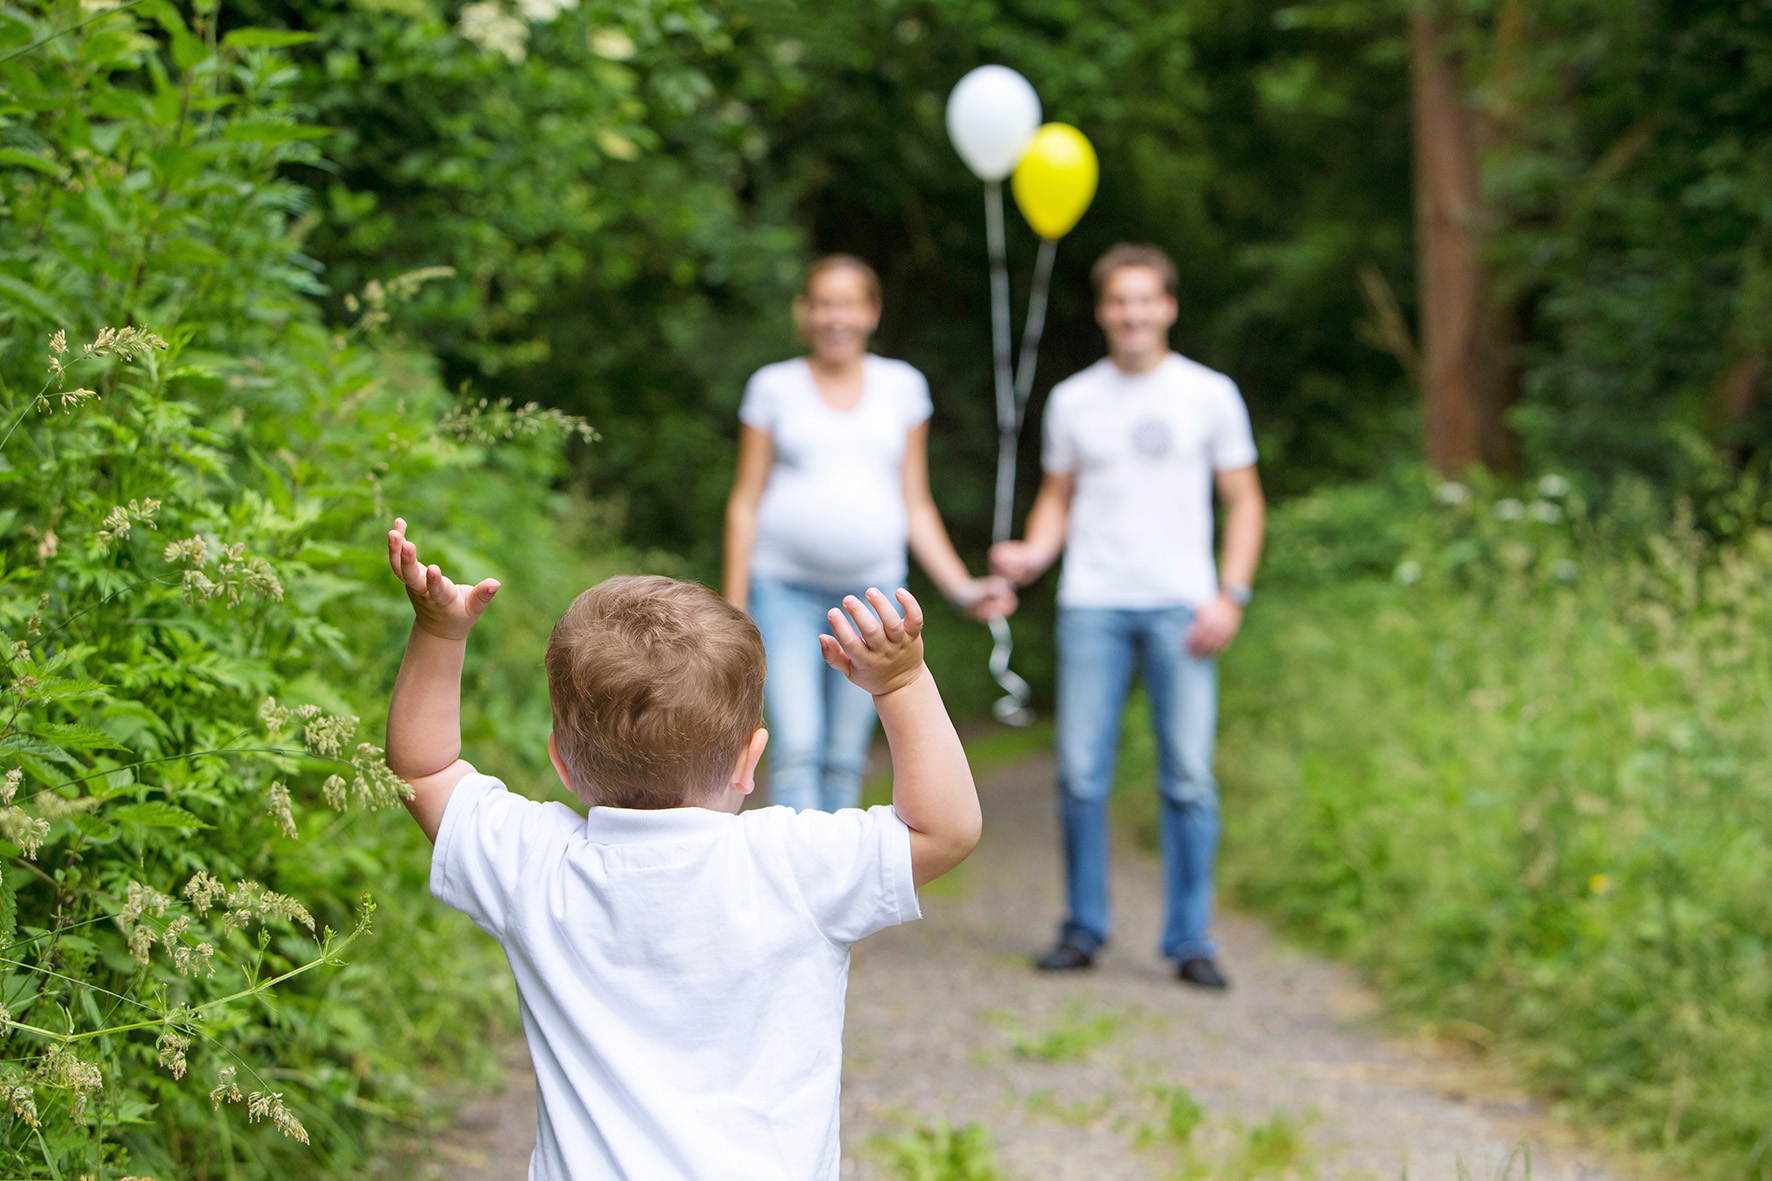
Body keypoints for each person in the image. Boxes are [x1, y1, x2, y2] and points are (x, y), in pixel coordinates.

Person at [382, 518, 981, 1179]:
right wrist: (901, 683)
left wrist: (439, 632)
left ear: (561, 761)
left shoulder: (538, 866)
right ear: (749, 760)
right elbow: (945, 828)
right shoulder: (792, 863)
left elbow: (424, 769)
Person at [990, 244, 1266, 991]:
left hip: (1184, 605)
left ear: (1169, 306)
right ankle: (1083, 927)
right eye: (1119, 301)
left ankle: (1190, 938)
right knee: (1080, 775)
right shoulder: (1075, 399)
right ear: (1103, 309)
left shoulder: (1209, 394)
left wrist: (1230, 594)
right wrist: (1032, 555)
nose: (1133, 313)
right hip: (1093, 602)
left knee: (1188, 778)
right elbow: (1057, 497)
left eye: (1146, 300)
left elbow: (1244, 500)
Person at [724, 255, 1013, 813]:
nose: (837, 317)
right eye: (825, 303)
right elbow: (745, 501)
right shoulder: (772, 387)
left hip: (873, 599)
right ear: (805, 314)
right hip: (783, 592)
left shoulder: (903, 387)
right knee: (799, 748)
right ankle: (796, 890)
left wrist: (962, 588)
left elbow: (917, 504)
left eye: (850, 303)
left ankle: (837, 893)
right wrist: (734, 605)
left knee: (845, 754)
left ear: (872, 311)